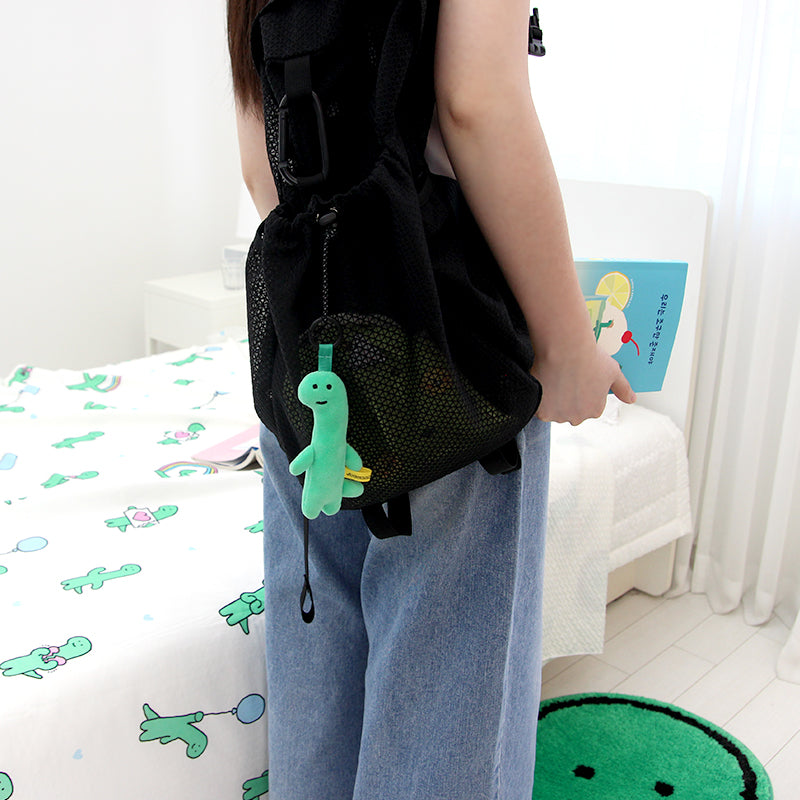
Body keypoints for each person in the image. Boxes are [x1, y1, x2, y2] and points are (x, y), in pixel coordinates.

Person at [228, 1, 635, 798]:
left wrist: (337, 300)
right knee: (450, 714)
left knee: (316, 662)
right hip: (452, 360)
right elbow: (475, 101)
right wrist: (565, 348)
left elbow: (258, 160)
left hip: (304, 344)